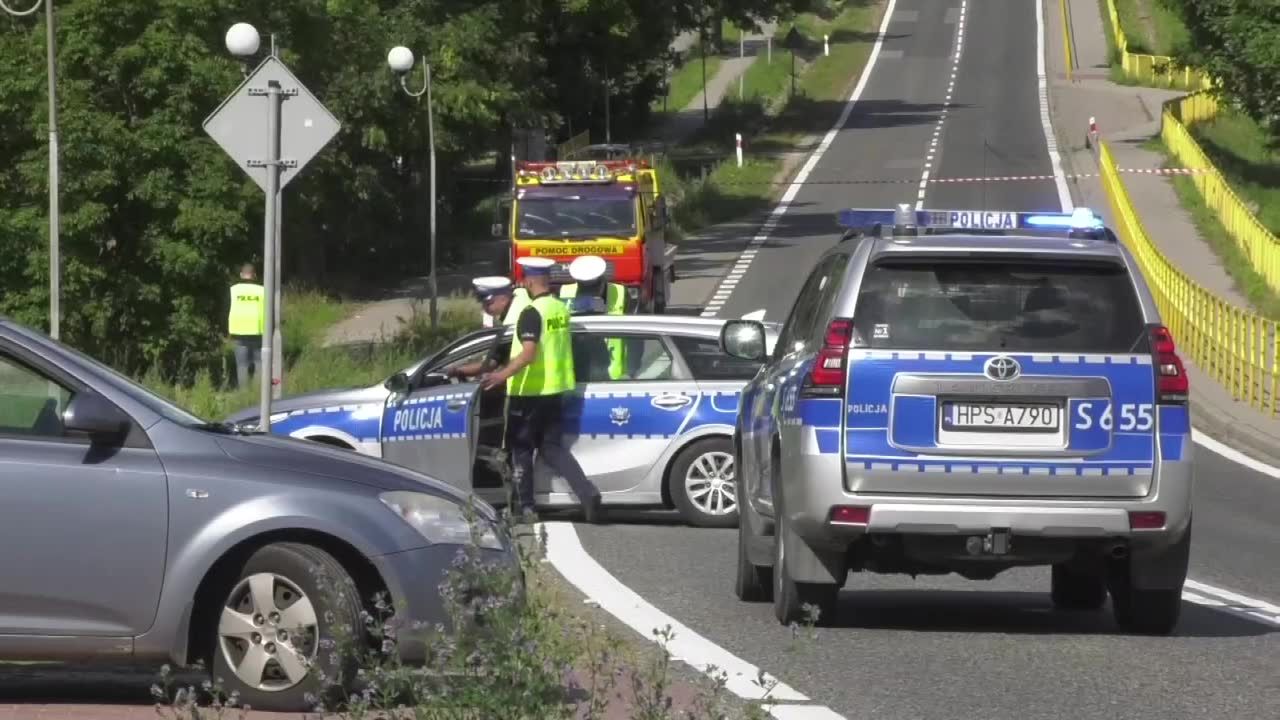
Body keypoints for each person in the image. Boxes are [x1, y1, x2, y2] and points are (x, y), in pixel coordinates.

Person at [480, 256, 603, 524]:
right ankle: (586, 492)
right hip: (555, 391)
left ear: (528, 281)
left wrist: (500, 375)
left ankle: (525, 509)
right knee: (552, 449)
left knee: (520, 450)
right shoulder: (560, 309)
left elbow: (528, 354)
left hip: (529, 394)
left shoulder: (531, 313)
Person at [560, 255, 628, 379]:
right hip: (576, 372)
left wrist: (634, 369)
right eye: (584, 289)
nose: (590, 294)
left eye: (593, 289)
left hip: (614, 377)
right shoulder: (565, 293)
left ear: (602, 282)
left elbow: (636, 333)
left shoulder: (620, 293)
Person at [227, 264, 265, 389]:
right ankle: (258, 393)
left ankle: (244, 393)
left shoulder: (233, 290)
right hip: (258, 333)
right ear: (254, 275)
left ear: (241, 275)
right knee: (259, 363)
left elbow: (226, 310)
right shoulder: (263, 290)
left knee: (242, 365)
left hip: (239, 333)